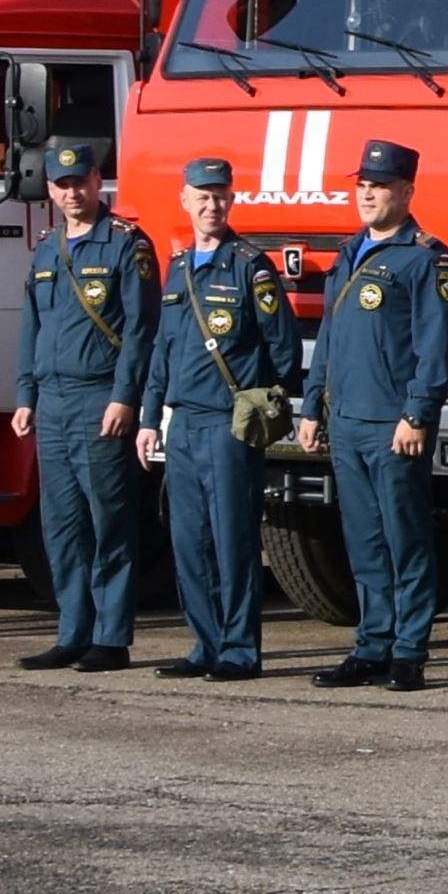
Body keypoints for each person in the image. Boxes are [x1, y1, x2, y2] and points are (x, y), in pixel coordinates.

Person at [306, 140, 448, 693]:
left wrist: (417, 414)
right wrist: (311, 407)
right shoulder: (349, 253)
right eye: (362, 184)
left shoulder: (425, 258)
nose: (367, 193)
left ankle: (409, 651)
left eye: (380, 185)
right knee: (364, 540)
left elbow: (437, 347)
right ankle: (371, 644)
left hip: (394, 424)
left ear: (407, 192)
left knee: (405, 537)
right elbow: (329, 337)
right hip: (346, 420)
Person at [139, 156, 296, 681]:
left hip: (230, 426)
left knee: (233, 539)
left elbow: (283, 348)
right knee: (190, 540)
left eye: (221, 196)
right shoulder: (178, 267)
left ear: (232, 200)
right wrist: (147, 418)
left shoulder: (250, 266)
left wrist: (258, 402)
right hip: (182, 424)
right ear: (185, 200)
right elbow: (162, 348)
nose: (212, 206)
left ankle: (239, 651)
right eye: (202, 197)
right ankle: (204, 644)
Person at [12, 140, 161, 675]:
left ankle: (111, 637)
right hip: (53, 403)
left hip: (100, 398)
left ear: (99, 182)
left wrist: (126, 396)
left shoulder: (126, 244)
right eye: (62, 185)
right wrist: (24, 394)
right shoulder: (49, 248)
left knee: (109, 523)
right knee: (62, 525)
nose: (72, 193)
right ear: (51, 190)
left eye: (81, 182)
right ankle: (72, 631)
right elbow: (33, 325)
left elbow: (141, 331)